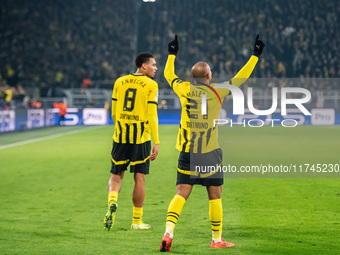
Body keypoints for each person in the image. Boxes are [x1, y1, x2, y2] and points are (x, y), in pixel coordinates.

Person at [159, 35, 265, 251]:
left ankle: (168, 234)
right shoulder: (219, 90)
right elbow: (240, 78)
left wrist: (172, 54)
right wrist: (255, 55)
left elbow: (168, 74)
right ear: (209, 75)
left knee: (181, 193)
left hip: (187, 151)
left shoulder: (184, 89)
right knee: (214, 196)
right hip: (209, 152)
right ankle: (216, 239)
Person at [104, 52, 160, 231]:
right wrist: (156, 141)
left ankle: (112, 202)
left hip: (120, 136)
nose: (155, 68)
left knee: (116, 175)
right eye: (153, 65)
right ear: (143, 66)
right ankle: (136, 221)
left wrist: (120, 128)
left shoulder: (119, 81)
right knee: (139, 178)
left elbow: (113, 112)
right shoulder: (151, 85)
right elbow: (152, 115)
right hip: (140, 138)